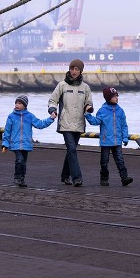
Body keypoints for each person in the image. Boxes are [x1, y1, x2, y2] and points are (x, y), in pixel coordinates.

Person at [47, 58, 93, 187]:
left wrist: (89, 108)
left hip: (79, 123)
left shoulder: (86, 88)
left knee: (70, 150)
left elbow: (88, 102)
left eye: (77, 69)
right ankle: (77, 178)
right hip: (65, 123)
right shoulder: (62, 85)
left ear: (80, 71)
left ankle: (65, 175)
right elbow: (52, 100)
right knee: (72, 149)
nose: (74, 71)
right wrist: (52, 110)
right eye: (72, 68)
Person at [1, 94, 56, 187]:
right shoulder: (11, 116)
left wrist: (51, 118)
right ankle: (17, 178)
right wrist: (5, 144)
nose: (17, 105)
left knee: (23, 162)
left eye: (19, 103)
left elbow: (40, 124)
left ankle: (22, 179)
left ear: (25, 105)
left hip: (26, 144)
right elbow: (7, 131)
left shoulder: (29, 116)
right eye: (16, 103)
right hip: (15, 144)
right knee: (19, 159)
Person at [85, 87, 133, 187]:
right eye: (114, 96)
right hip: (106, 141)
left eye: (117, 96)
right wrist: (87, 115)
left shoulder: (120, 111)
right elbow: (95, 121)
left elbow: (124, 125)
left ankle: (124, 178)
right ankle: (104, 179)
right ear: (108, 98)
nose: (117, 98)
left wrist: (125, 137)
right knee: (104, 162)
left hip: (117, 141)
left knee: (120, 160)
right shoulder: (102, 111)